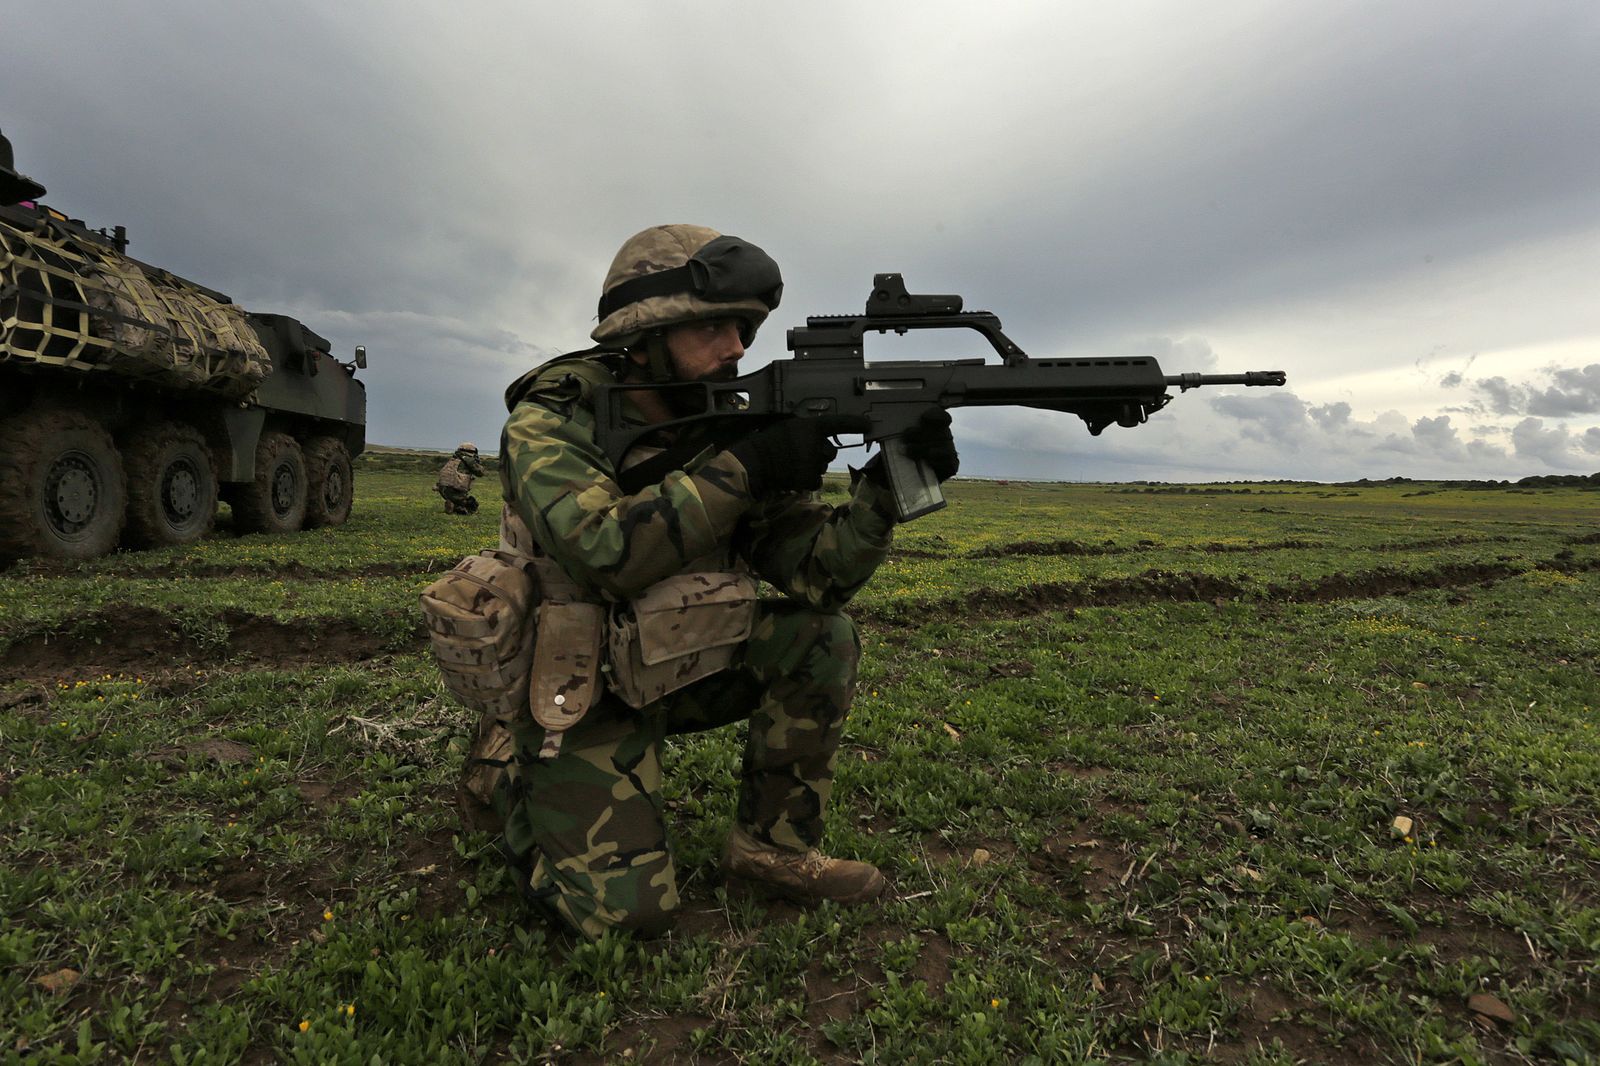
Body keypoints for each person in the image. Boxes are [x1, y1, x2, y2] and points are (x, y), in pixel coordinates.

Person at [489, 224, 957, 938]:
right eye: (715, 326)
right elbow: (601, 549)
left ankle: (769, 850)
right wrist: (747, 469)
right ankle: (506, 777)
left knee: (819, 638)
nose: (737, 346)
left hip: (672, 660)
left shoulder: (728, 422)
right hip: (577, 685)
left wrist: (886, 491)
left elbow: (817, 576)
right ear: (647, 330)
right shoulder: (555, 414)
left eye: (743, 327)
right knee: (626, 917)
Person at [435, 442, 485, 514]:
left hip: (442, 489)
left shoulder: (453, 459)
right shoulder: (468, 460)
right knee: (472, 505)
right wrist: (477, 463)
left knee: (457, 502)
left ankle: (452, 503)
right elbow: (480, 473)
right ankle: (457, 506)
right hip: (455, 490)